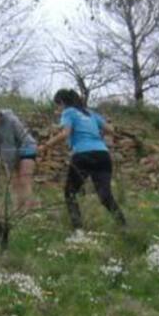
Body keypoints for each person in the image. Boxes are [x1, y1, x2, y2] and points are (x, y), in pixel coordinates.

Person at [38, 89, 126, 230]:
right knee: (105, 195)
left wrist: (45, 146)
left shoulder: (68, 112)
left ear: (62, 102)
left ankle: (78, 230)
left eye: (58, 105)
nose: (58, 109)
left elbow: (65, 133)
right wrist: (97, 135)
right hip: (102, 155)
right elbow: (111, 130)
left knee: (70, 192)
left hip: (83, 155)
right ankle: (123, 226)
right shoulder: (91, 113)